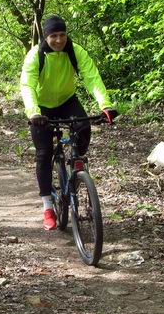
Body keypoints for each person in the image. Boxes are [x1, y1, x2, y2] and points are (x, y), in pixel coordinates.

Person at [20, 15, 116, 231]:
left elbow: (92, 77)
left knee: (84, 127)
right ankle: (47, 207)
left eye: (62, 34)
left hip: (67, 101)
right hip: (42, 108)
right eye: (54, 36)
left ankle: (77, 166)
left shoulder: (75, 50)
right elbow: (27, 85)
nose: (59, 40)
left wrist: (105, 104)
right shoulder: (36, 55)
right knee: (43, 154)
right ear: (46, 37)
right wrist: (34, 112)